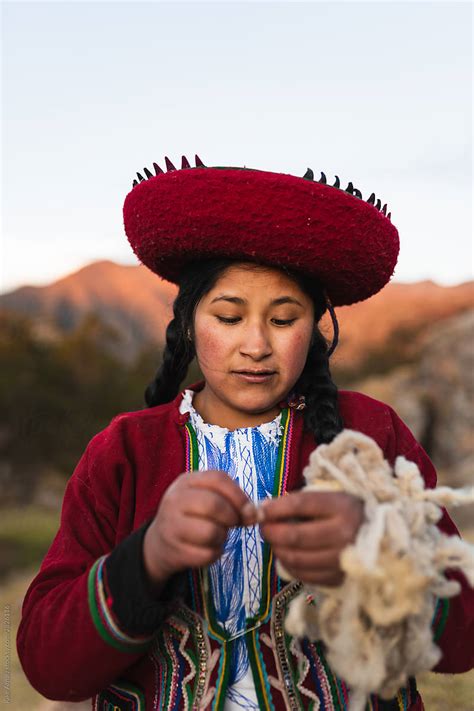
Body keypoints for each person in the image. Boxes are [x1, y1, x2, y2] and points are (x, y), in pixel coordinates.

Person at [17, 156, 474, 710]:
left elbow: (462, 641)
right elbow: (48, 664)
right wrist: (148, 557)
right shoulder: (125, 451)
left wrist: (377, 550)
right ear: (188, 322)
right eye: (229, 317)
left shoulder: (370, 434)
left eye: (283, 320)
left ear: (316, 329)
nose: (256, 344)